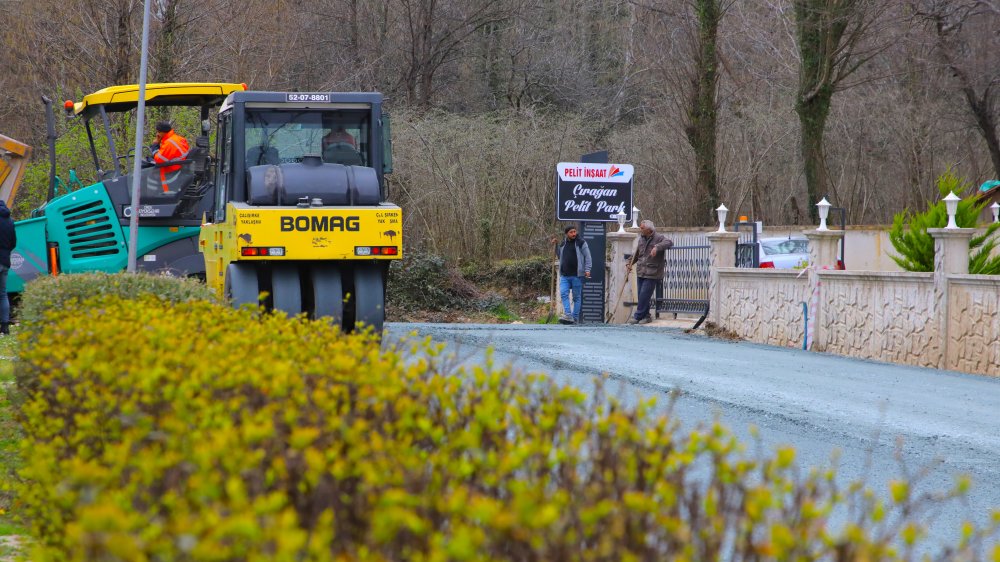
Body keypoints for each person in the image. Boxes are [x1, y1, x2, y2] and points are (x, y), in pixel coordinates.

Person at [626, 219, 673, 325]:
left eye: (642, 228)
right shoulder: (641, 239)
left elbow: (669, 242)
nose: (640, 230)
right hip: (641, 271)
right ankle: (647, 316)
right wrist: (630, 263)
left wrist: (657, 247)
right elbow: (637, 254)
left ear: (649, 230)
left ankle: (637, 316)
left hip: (653, 272)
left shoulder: (659, 238)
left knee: (644, 295)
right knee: (642, 295)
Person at [555, 225, 592, 324]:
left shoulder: (581, 243)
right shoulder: (563, 244)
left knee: (576, 297)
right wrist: (556, 245)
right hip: (564, 275)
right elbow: (560, 256)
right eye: (571, 232)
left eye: (574, 232)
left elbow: (588, 257)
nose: (574, 234)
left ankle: (574, 318)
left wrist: (587, 269)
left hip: (577, 275)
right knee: (563, 294)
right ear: (566, 234)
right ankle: (568, 315)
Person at [151, 121, 190, 192]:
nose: (157, 134)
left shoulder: (169, 143)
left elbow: (158, 160)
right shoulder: (178, 138)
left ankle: (162, 193)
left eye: (158, 132)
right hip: (180, 169)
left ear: (163, 132)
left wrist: (155, 145)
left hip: (172, 172)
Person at [0, 199, 16, 336]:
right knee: (3, 294)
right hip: (5, 261)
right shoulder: (10, 221)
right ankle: (5, 327)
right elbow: (13, 243)